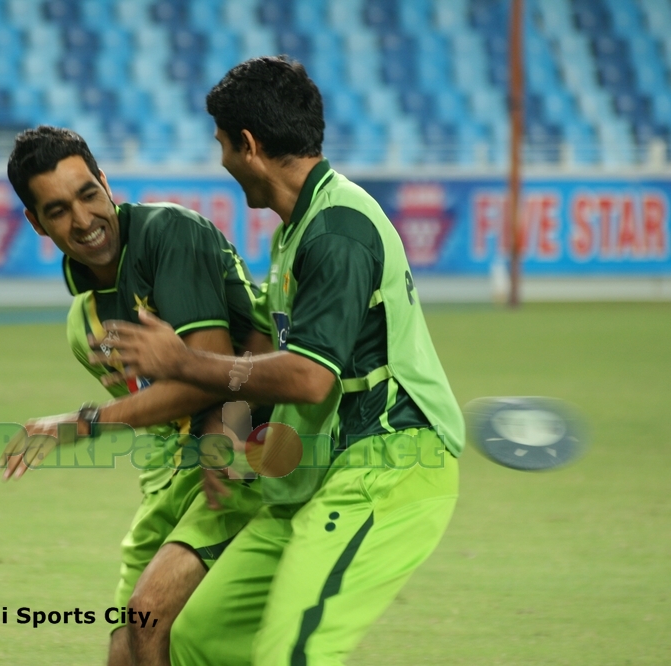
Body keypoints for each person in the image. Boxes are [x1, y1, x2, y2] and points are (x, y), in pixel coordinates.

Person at [93, 56, 465, 666]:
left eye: (222, 145)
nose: (220, 162)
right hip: (311, 475)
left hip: (390, 468)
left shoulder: (337, 231)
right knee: (195, 642)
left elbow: (309, 378)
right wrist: (226, 437)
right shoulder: (292, 234)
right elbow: (265, 353)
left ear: (249, 144)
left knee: (294, 652)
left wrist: (182, 361)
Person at [3, 126, 269, 666]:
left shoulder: (167, 232)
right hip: (180, 473)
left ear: (106, 182)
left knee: (152, 620)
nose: (82, 221)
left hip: (249, 448)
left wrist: (78, 424)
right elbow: (162, 406)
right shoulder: (85, 303)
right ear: (36, 222)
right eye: (57, 210)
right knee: (125, 649)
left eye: (88, 194)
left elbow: (207, 375)